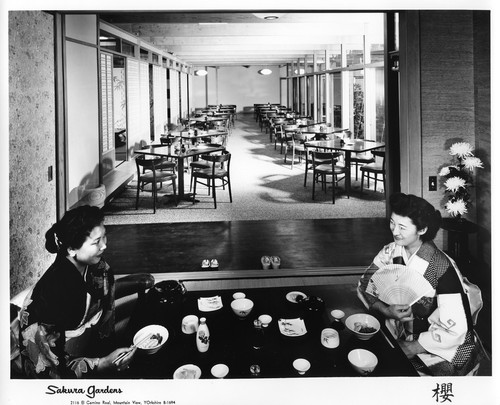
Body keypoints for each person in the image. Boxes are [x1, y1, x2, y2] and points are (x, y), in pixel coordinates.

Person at [358, 193, 483, 376]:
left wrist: (414, 346)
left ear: (422, 229)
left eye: (402, 227)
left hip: (441, 341)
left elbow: (457, 327)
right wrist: (385, 309)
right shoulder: (390, 251)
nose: (394, 231)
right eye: (392, 222)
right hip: (402, 331)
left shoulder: (440, 266)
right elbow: (365, 284)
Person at [17, 205, 136, 378]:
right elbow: (47, 367)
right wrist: (100, 364)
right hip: (63, 373)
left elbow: (106, 323)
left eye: (104, 236)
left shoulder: (100, 269)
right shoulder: (50, 295)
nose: (104, 245)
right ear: (72, 249)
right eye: (96, 242)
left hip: (99, 353)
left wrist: (112, 357)